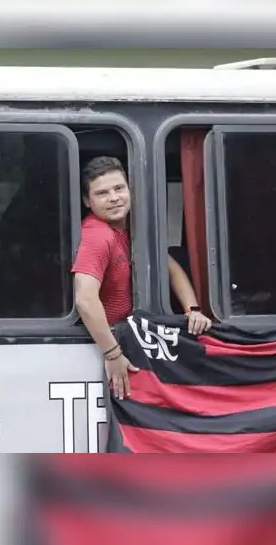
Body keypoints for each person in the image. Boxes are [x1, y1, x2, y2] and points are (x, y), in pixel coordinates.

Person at [72, 156, 212, 399]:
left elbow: (170, 267)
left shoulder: (128, 228)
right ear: (87, 200)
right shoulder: (97, 236)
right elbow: (85, 299)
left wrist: (193, 310)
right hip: (108, 342)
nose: (114, 197)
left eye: (119, 188)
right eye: (102, 193)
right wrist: (112, 354)